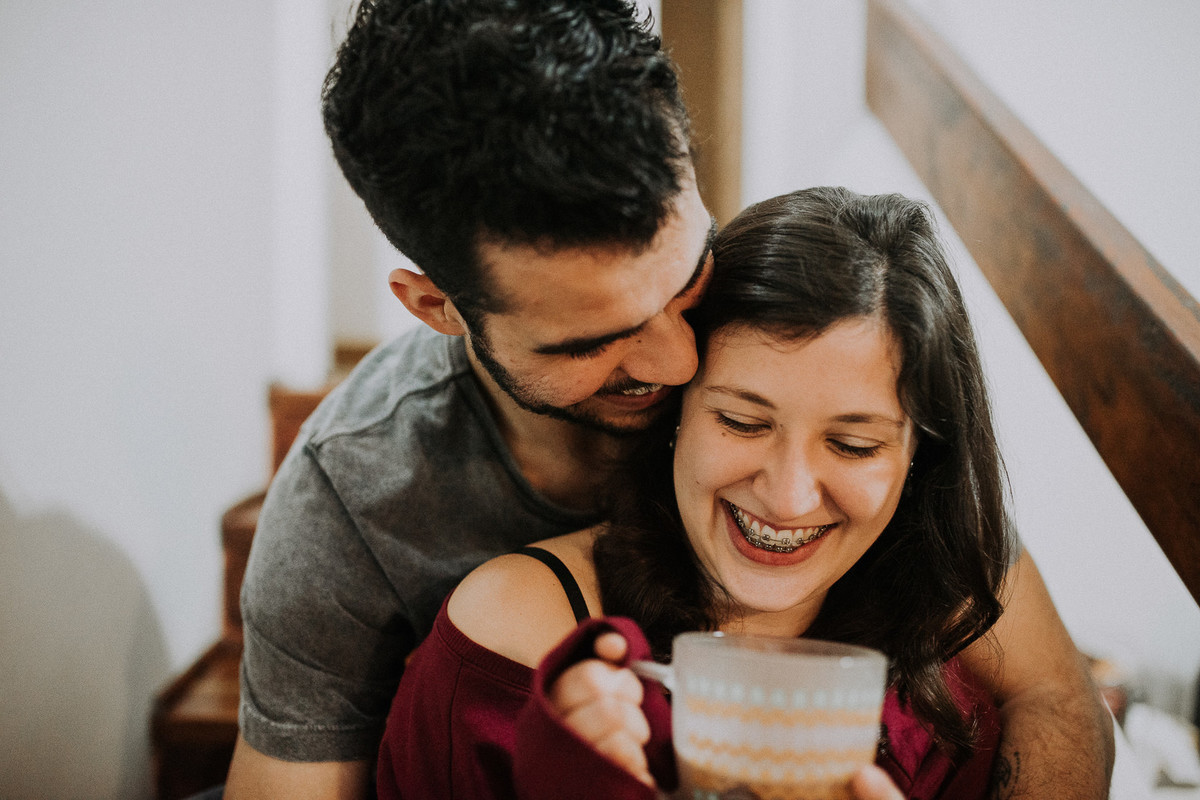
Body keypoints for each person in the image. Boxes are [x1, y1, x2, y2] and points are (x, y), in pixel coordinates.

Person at [226, 1, 1113, 797]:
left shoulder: (791, 333)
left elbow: (1055, 697)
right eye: (592, 340)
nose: (679, 355)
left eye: (686, 278)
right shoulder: (351, 498)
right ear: (439, 308)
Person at [376, 187, 1028, 799]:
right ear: (676, 411)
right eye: (742, 422)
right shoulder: (521, 643)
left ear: (920, 459)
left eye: (854, 445)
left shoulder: (950, 682)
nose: (789, 497)